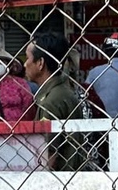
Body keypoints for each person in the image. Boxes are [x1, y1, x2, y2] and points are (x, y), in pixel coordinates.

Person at [23, 39, 82, 170]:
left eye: (28, 58)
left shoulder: (50, 101)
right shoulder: (62, 91)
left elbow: (48, 154)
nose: (25, 64)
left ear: (40, 63)